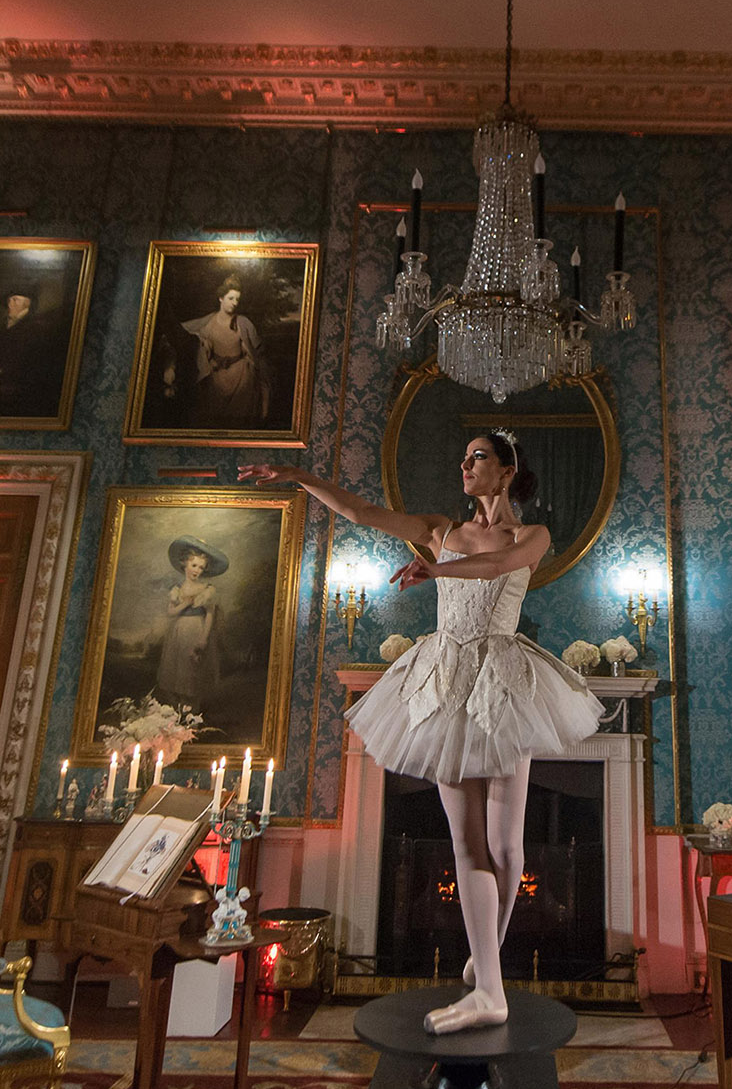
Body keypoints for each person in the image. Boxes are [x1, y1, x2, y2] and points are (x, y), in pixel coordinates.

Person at [239, 432, 600, 1035]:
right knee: (469, 846)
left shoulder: (530, 537)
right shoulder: (439, 528)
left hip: (504, 684)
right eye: (464, 456)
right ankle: (489, 990)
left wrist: (438, 569)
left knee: (509, 848)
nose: (464, 464)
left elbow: (499, 566)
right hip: (446, 683)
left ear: (507, 471)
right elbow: (362, 512)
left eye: (477, 456)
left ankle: (485, 961)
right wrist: (300, 477)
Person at [165, 273, 271, 427]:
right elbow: (199, 346)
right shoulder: (209, 323)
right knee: (215, 420)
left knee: (239, 421)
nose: (235, 303)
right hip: (216, 378)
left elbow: (257, 350)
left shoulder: (243, 323)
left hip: (242, 376)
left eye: (237, 299)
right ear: (221, 298)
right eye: (231, 298)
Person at [151, 537, 225, 710]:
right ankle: (177, 713)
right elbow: (171, 612)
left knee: (192, 671)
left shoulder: (206, 589)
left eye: (201, 567)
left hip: (196, 629)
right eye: (194, 565)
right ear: (184, 564)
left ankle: (192, 713)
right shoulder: (177, 589)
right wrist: (185, 604)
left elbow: (210, 614)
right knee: (177, 671)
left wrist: (203, 638)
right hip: (178, 631)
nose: (197, 570)